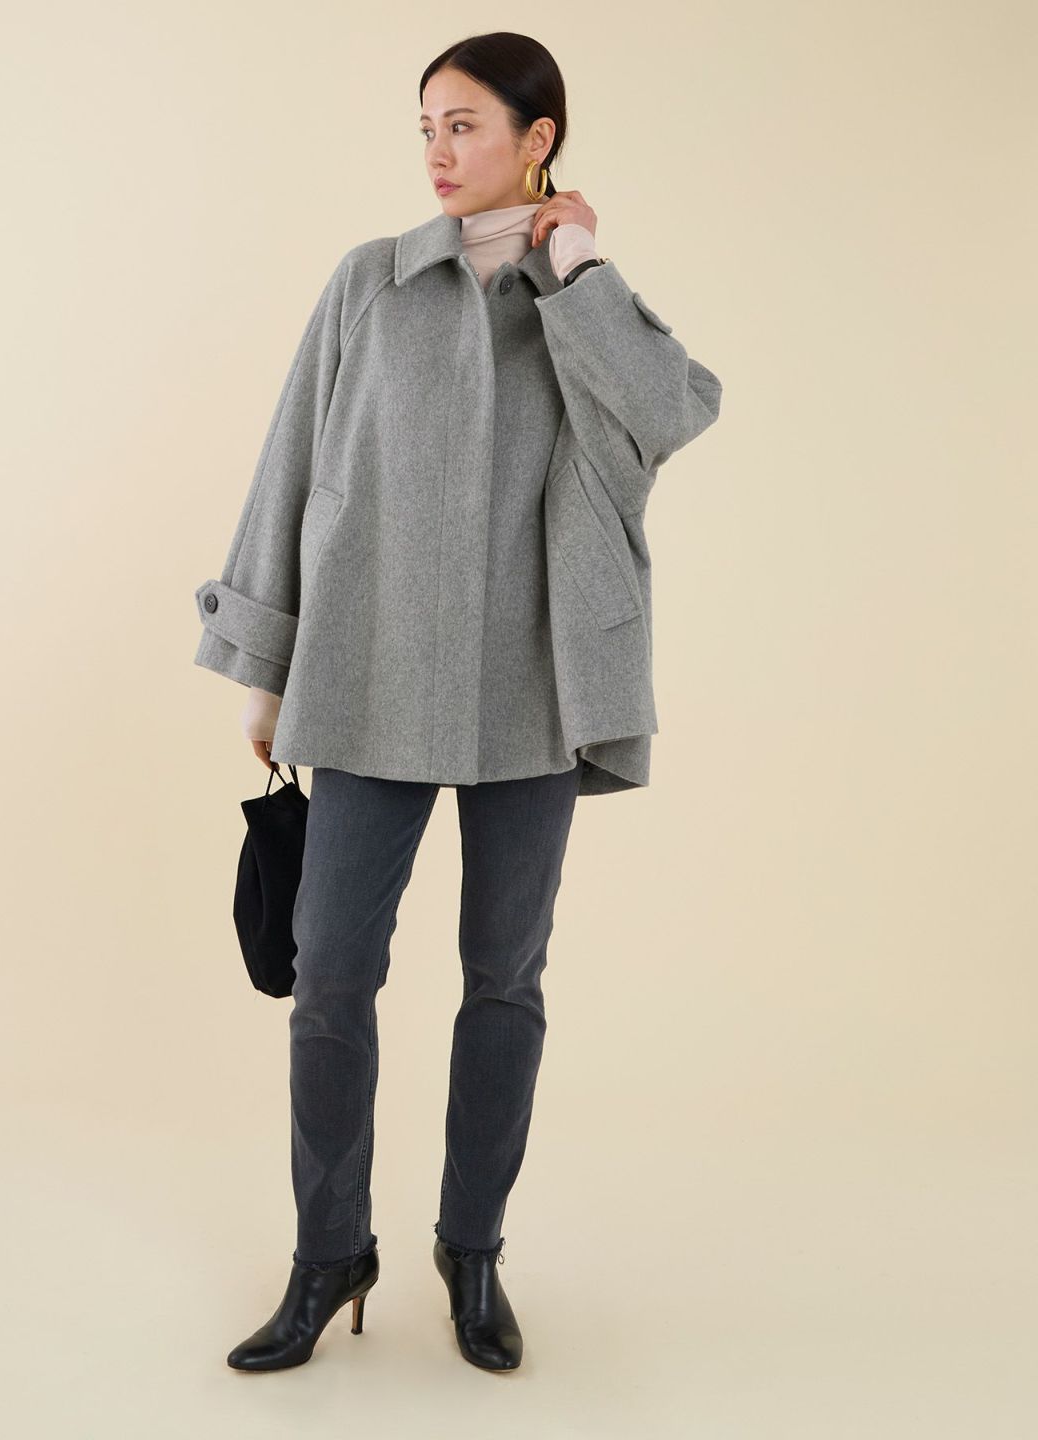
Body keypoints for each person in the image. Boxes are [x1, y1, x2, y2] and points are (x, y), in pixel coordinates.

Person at [195, 32, 723, 1373]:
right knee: (329, 976)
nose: (437, 151)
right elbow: (290, 460)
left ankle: (471, 1251)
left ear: (537, 139)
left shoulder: (577, 299)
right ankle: (328, 1254)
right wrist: (266, 661)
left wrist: (579, 263)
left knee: (506, 980)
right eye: (425, 126)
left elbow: (669, 415)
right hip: (365, 672)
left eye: (466, 124)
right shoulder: (369, 282)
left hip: (530, 690)